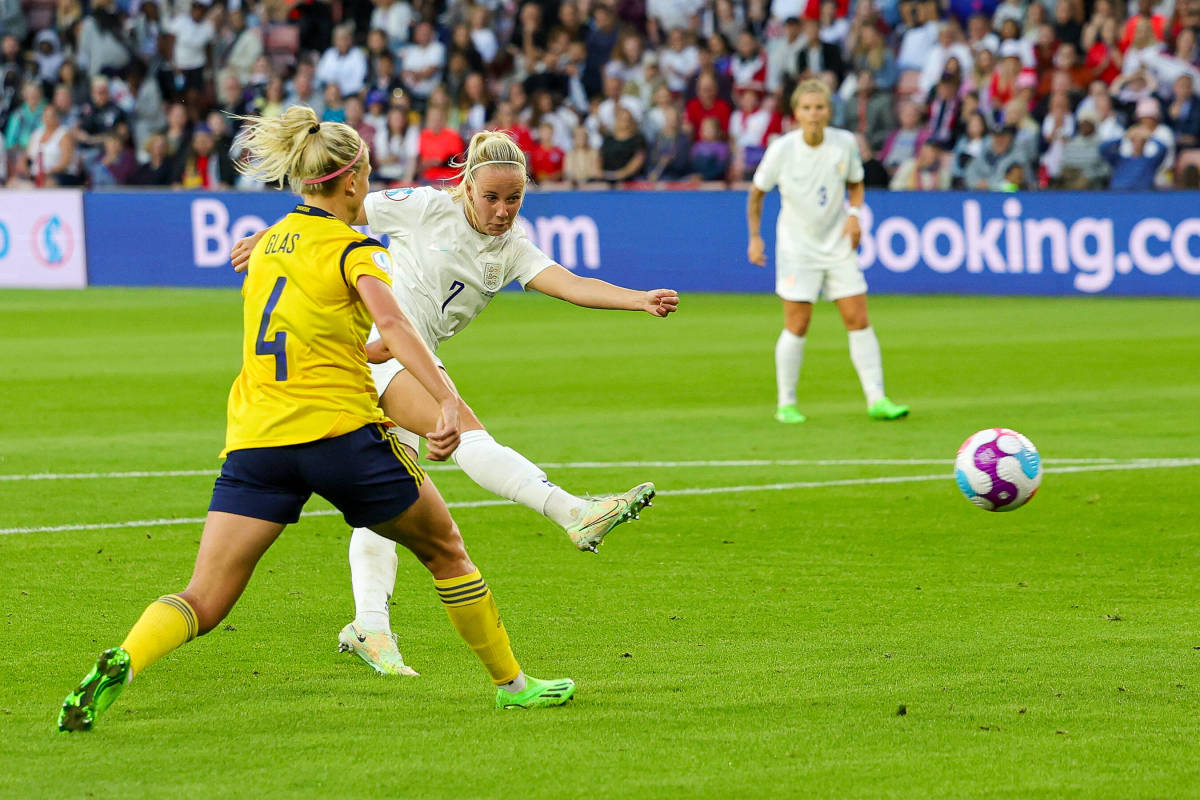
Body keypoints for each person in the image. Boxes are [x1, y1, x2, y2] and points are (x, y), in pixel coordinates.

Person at [58, 108, 576, 734]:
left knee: (205, 596)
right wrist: (442, 398)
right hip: (340, 435)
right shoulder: (356, 248)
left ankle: (127, 657)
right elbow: (394, 327)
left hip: (257, 440)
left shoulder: (267, 246)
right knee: (446, 551)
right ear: (352, 179)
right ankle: (513, 685)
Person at [231, 128, 676, 676]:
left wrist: (638, 299)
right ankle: (574, 513)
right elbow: (333, 206)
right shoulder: (422, 207)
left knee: (387, 499)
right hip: (380, 346)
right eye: (491, 197)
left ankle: (369, 624)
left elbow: (570, 283)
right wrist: (274, 239)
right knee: (464, 432)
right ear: (465, 186)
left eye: (514, 199)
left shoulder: (512, 248)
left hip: (400, 356)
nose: (502, 210)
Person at [746, 79, 909, 425]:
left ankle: (877, 400)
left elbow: (855, 182)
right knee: (797, 323)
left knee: (857, 318)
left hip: (837, 243)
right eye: (806, 108)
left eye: (819, 107)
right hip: (796, 247)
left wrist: (853, 216)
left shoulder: (844, 143)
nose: (813, 114)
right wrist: (755, 238)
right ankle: (786, 403)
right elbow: (757, 193)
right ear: (796, 113)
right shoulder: (783, 149)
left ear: (828, 111)